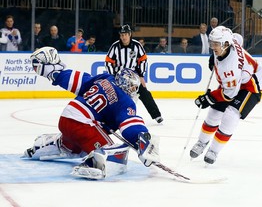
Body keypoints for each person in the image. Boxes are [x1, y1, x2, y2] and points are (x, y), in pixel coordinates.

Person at [24, 46, 160, 179]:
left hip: (66, 118)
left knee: (76, 147)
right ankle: (94, 163)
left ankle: (47, 145)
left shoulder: (106, 78)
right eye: (132, 87)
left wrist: (54, 72)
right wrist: (142, 141)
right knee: (115, 152)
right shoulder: (126, 101)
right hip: (83, 124)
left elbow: (79, 81)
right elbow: (130, 125)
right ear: (126, 84)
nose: (133, 90)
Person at [190, 26, 262, 164]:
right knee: (214, 113)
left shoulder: (229, 68)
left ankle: (214, 150)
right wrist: (214, 57)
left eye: (216, 44)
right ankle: (202, 142)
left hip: (250, 86)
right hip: (234, 82)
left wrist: (208, 98)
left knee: (231, 115)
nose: (212, 46)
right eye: (212, 43)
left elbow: (229, 95)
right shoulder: (231, 41)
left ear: (225, 44)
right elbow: (238, 38)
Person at [105, 24, 163, 123]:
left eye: (125, 35)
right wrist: (114, 76)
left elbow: (143, 60)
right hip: (119, 78)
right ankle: (109, 117)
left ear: (130, 34)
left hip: (133, 77)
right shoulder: (115, 46)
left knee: (145, 93)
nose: (123, 37)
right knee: (113, 96)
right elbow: (108, 62)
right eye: (122, 35)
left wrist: (141, 76)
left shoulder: (137, 45)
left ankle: (156, 115)